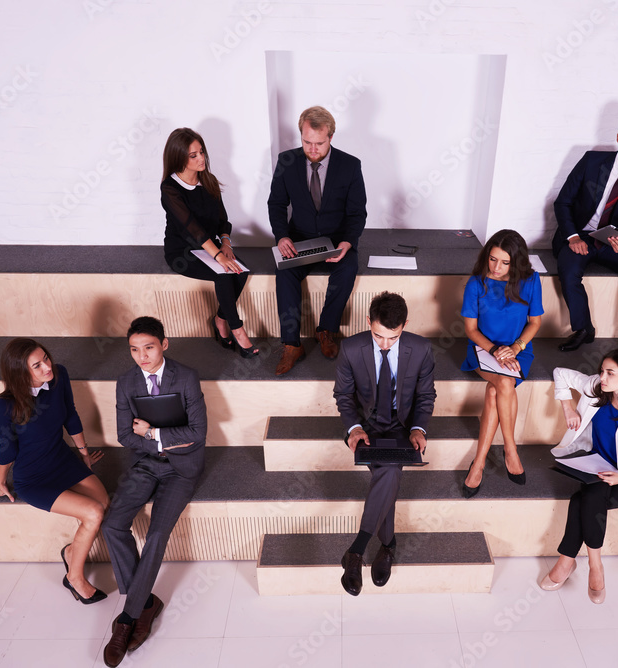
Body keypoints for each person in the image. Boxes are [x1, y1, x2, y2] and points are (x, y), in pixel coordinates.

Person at [102, 316, 207, 667]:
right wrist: (155, 442)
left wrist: (151, 433)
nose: (142, 356)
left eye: (148, 347)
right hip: (145, 463)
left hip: (182, 468)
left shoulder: (187, 376)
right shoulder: (126, 382)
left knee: (157, 534)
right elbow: (123, 435)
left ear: (164, 344)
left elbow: (198, 432)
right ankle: (146, 602)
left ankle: (127, 618)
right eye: (134, 350)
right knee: (112, 525)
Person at [540, 348, 618, 604]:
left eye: (610, 373)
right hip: (594, 465)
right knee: (592, 491)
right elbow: (560, 373)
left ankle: (574, 562)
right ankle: (592, 566)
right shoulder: (596, 387)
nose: (602, 378)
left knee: (585, 498)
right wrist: (568, 408)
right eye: (602, 371)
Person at [0, 338, 108, 604]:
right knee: (93, 512)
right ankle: (74, 578)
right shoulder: (4, 407)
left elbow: (70, 416)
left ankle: (70, 552)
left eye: (46, 358)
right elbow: (7, 451)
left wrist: (84, 454)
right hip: (34, 478)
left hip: (62, 460)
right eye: (37, 365)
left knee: (102, 502)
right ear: (20, 373)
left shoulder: (59, 375)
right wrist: (2, 481)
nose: (47, 367)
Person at [334, 292, 435, 596]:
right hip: (366, 424)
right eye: (378, 336)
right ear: (369, 322)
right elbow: (344, 395)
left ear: (405, 325)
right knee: (390, 470)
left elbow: (425, 395)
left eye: (393, 337)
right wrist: (353, 428)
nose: (385, 344)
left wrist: (418, 429)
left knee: (388, 468)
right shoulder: (351, 348)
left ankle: (357, 549)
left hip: (401, 426)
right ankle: (387, 544)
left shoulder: (421, 348)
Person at [552, 110, 618, 367]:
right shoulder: (592, 161)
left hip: (610, 237)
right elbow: (563, 202)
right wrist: (573, 237)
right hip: (578, 233)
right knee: (569, 269)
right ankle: (583, 329)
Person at [268, 105, 368, 375]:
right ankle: (292, 344)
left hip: (337, 239)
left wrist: (347, 242)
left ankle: (326, 329)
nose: (312, 149)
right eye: (307, 142)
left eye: (319, 143)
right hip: (298, 238)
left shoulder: (350, 165)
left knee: (348, 268)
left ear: (331, 137)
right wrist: (282, 236)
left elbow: (357, 213)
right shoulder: (286, 161)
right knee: (284, 273)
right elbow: (276, 204)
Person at [460, 229, 543, 497]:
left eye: (505, 262)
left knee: (496, 391)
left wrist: (515, 348)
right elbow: (471, 330)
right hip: (483, 350)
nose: (496, 268)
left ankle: (479, 463)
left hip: (519, 350)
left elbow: (535, 323)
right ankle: (510, 449)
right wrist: (496, 350)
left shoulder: (531, 281)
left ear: (516, 262)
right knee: (504, 383)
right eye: (493, 259)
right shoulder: (476, 283)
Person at [161, 127, 257, 358]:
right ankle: (238, 330)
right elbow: (192, 229)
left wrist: (226, 244)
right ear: (179, 158)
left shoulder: (208, 181)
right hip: (183, 251)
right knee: (223, 274)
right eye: (193, 155)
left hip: (210, 247)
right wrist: (218, 257)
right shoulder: (170, 188)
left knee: (241, 272)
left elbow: (222, 220)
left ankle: (220, 319)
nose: (201, 158)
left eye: (201, 152)